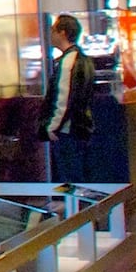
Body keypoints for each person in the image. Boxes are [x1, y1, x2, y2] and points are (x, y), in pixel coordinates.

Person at [38, 15, 95, 183]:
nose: (50, 35)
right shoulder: (83, 59)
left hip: (67, 131)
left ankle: (74, 207)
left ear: (62, 33)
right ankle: (82, 206)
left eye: (53, 30)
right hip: (80, 128)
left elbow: (63, 99)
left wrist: (51, 127)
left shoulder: (67, 62)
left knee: (68, 177)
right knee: (79, 176)